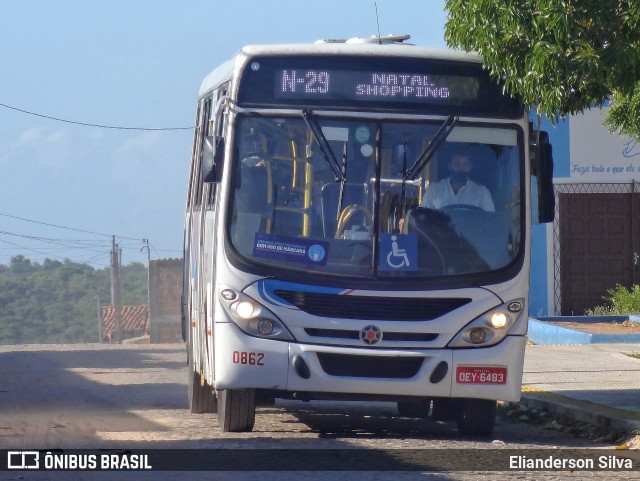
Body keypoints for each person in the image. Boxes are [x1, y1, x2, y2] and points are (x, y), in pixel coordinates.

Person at [420, 150, 494, 212]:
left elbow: (489, 221)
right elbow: (422, 217)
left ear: (470, 167)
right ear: (450, 166)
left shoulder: (482, 192)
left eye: (465, 164)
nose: (461, 168)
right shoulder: (434, 189)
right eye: (457, 164)